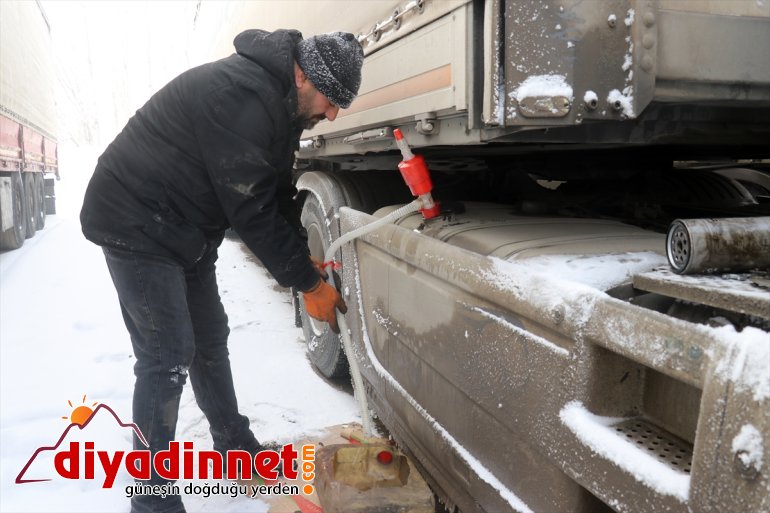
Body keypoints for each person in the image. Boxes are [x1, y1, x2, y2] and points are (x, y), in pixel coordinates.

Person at [80, 29, 362, 513]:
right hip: (136, 220)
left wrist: (301, 257)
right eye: (331, 99)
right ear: (302, 75)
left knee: (209, 337)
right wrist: (308, 284)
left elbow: (274, 191)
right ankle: (153, 502)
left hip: (183, 227)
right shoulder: (242, 95)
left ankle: (236, 451)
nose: (332, 114)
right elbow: (249, 210)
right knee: (167, 356)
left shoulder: (280, 104)